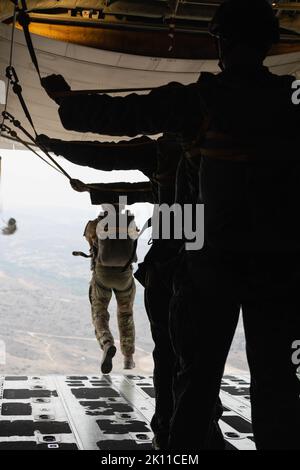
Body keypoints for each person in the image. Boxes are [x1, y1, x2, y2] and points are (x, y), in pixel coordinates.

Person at [41, 0, 300, 449]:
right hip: (280, 270)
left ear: (219, 42)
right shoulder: (291, 97)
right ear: (272, 43)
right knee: (279, 386)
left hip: (208, 266)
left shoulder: (201, 100)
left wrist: (67, 103)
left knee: (194, 382)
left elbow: (122, 118)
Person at [81, 204, 139, 374]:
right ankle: (128, 358)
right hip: (124, 275)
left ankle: (107, 343)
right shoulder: (129, 222)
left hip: (102, 274)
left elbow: (89, 240)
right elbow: (134, 241)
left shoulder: (95, 224)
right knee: (126, 313)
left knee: (99, 312)